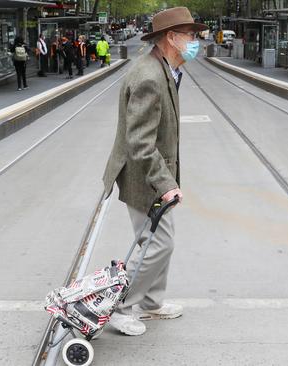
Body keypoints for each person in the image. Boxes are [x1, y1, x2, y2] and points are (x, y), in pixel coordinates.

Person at [102, 7, 207, 336]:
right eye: (191, 36)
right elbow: (139, 142)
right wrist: (165, 183)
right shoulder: (149, 76)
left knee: (160, 239)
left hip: (154, 173)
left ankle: (151, 303)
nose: (196, 41)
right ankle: (120, 307)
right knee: (157, 243)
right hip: (143, 175)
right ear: (172, 38)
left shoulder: (165, 68)